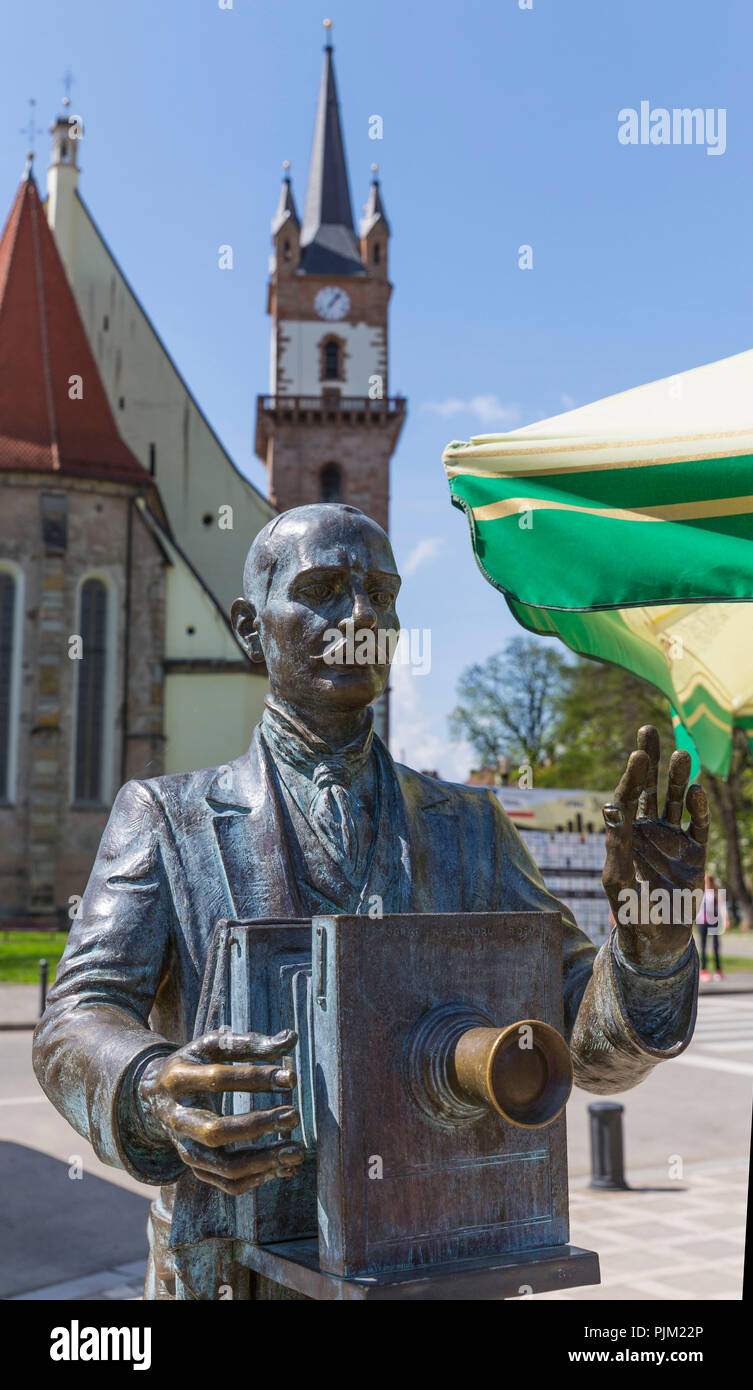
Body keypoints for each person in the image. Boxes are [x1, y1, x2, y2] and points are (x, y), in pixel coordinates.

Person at [32, 503, 709, 1299]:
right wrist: (152, 1087)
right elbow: (76, 1017)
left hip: (429, 1265)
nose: (360, 615)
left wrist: (649, 947)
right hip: (233, 1272)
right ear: (251, 629)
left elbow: (578, 1053)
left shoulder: (473, 829)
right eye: (323, 588)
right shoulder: (166, 817)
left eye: (380, 594)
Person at [696, 870, 726, 982]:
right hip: (702, 922)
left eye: (707, 880)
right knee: (703, 947)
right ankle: (704, 970)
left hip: (714, 921)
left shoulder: (716, 892)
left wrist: (725, 920)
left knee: (715, 946)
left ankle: (718, 970)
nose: (705, 882)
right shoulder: (700, 892)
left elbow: (722, 907)